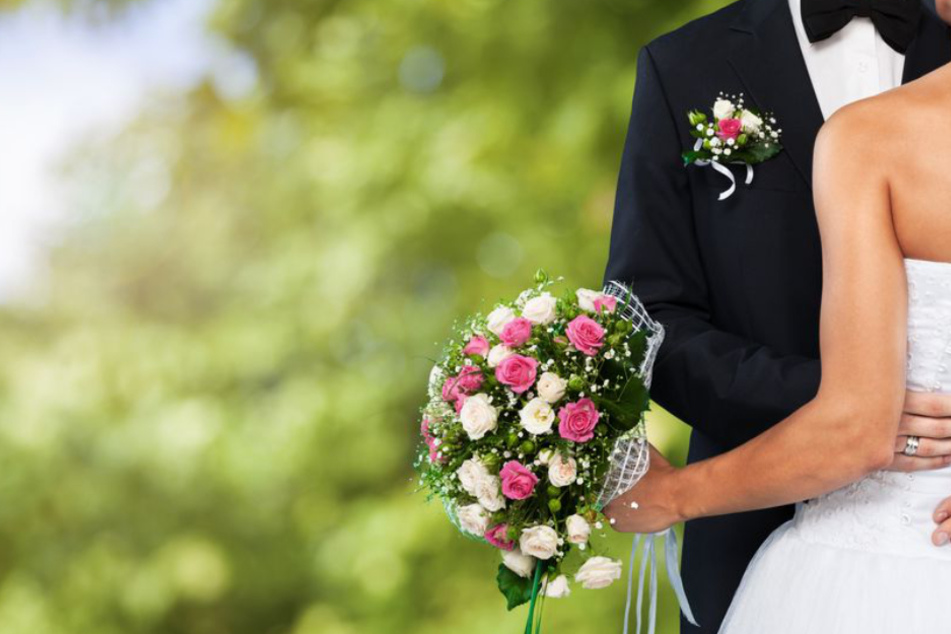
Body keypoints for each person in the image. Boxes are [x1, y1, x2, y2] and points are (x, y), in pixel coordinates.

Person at [603, 0, 951, 631]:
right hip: (747, 532)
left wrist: (857, 415)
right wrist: (842, 399)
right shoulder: (684, 64)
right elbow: (647, 317)